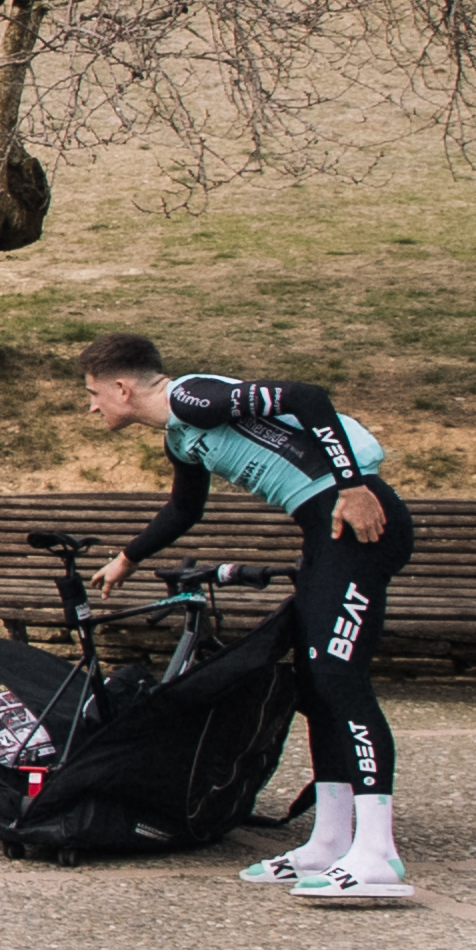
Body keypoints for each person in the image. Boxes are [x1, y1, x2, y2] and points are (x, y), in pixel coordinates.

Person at [78, 333, 416, 907]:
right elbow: (186, 509)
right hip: (324, 534)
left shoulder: (195, 398)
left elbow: (308, 397)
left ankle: (377, 853)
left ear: (121, 388)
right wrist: (128, 558)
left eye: (91, 393)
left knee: (338, 679)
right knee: (313, 685)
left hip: (356, 524)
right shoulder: (183, 436)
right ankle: (331, 841)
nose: (90, 406)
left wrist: (354, 486)